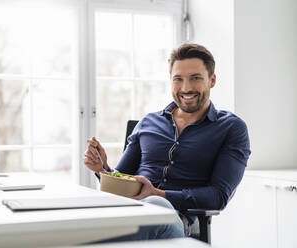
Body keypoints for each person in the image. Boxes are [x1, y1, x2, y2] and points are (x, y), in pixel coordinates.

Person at [83, 43, 251, 241]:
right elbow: (123, 180)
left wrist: (159, 194)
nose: (186, 87)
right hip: (130, 214)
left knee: (155, 205)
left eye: (195, 78)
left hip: (177, 221)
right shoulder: (148, 123)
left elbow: (218, 196)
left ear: (211, 80)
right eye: (178, 79)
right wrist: (102, 169)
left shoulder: (231, 128)